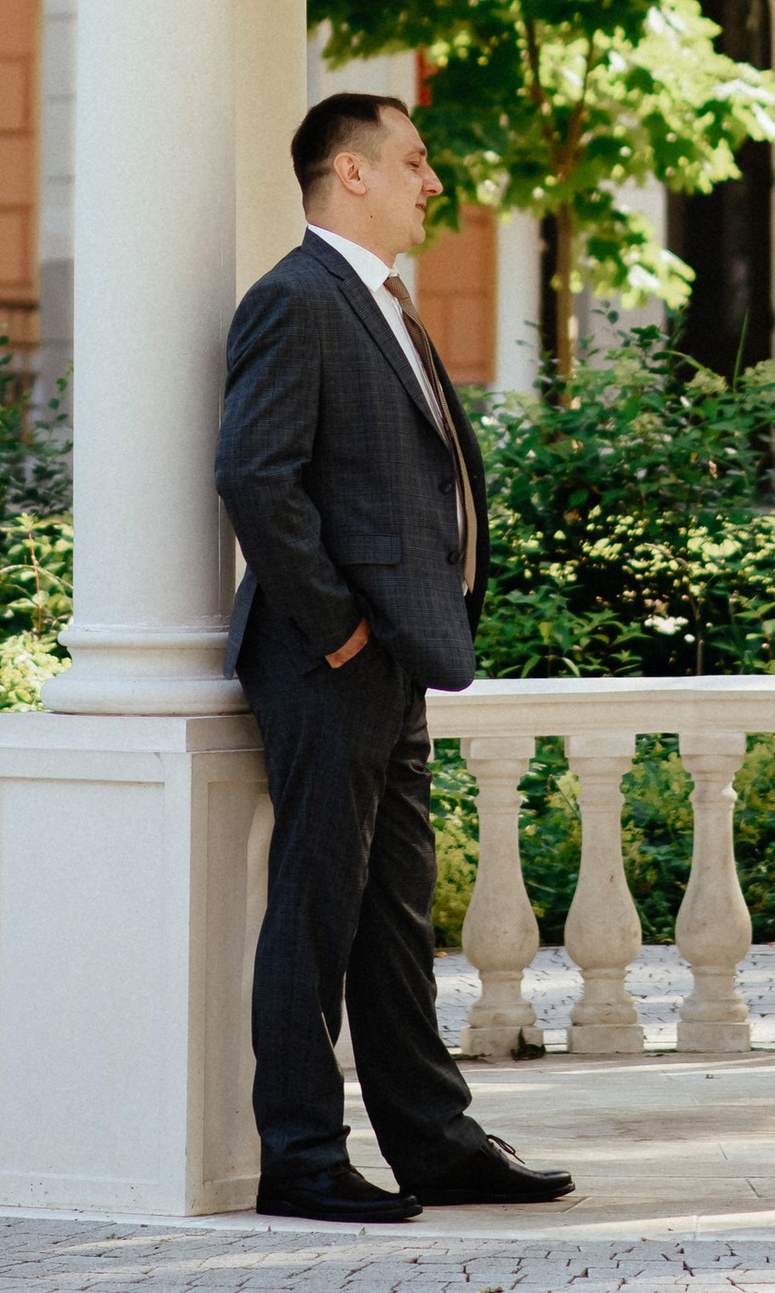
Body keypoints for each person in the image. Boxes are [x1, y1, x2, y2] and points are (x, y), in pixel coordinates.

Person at [216, 91, 574, 1223]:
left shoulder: (377, 300)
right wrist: (339, 630)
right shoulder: (296, 298)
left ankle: (433, 1140)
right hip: (330, 660)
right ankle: (302, 1156)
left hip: (396, 657)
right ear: (348, 170)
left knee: (393, 914)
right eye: (414, 160)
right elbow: (255, 476)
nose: (433, 182)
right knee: (316, 911)